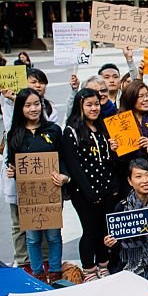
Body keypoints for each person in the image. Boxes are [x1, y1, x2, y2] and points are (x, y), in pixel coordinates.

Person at [5, 88, 69, 284]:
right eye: (27, 105)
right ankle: (38, 274)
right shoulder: (14, 134)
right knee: (32, 238)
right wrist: (11, 170)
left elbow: (64, 158)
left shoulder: (53, 130)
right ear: (20, 108)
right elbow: (11, 161)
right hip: (29, 196)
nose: (33, 109)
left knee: (53, 235)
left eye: (36, 104)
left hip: (51, 191)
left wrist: (64, 177)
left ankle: (56, 272)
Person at [62, 88, 119, 282]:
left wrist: (113, 151)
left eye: (97, 104)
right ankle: (88, 268)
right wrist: (89, 192)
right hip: (83, 192)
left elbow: (107, 160)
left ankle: (103, 265)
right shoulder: (71, 131)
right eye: (89, 105)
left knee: (104, 229)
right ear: (80, 106)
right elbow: (74, 165)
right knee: (90, 230)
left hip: (105, 190)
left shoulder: (103, 128)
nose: (94, 108)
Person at [104, 159, 148, 284]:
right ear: (130, 181)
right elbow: (118, 246)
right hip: (128, 267)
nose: (145, 181)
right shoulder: (121, 207)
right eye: (138, 176)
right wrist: (112, 243)